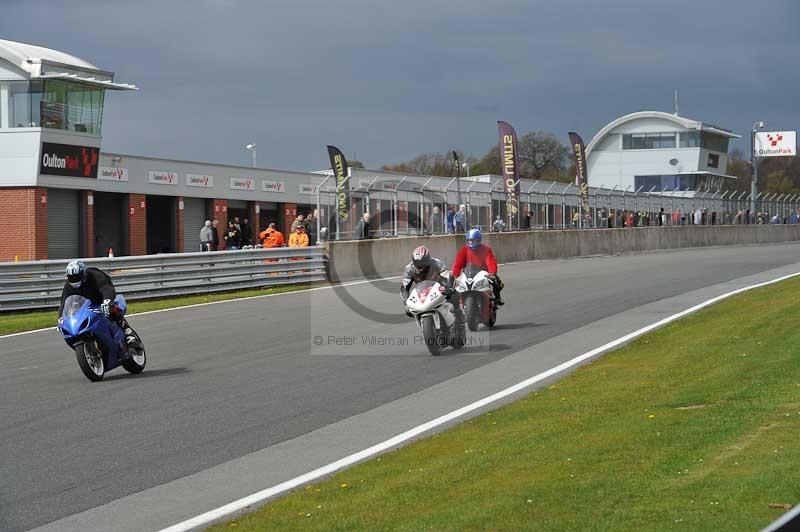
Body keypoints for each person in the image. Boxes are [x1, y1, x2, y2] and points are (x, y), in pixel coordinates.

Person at [59, 260, 139, 348]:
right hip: (86, 305)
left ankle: (127, 332)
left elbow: (107, 288)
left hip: (101, 299)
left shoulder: (95, 276)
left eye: (77, 277)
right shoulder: (68, 285)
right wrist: (61, 318)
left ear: (83, 274)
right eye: (72, 278)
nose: (75, 279)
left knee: (112, 310)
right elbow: (64, 302)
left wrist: (107, 301)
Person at [400, 245, 465, 326]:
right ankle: (422, 323)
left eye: (422, 262)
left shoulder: (436, 263)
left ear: (428, 259)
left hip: (439, 287)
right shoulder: (410, 268)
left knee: (454, 295)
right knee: (408, 310)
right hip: (421, 291)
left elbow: (448, 276)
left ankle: (459, 315)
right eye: (417, 263)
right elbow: (404, 287)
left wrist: (449, 288)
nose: (420, 265)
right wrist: (406, 300)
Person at [451, 229, 503, 306]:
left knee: (497, 282)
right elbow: (458, 263)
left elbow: (491, 261)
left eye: (473, 241)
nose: (471, 243)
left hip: (483, 273)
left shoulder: (485, 249)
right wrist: (455, 274)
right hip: (468, 273)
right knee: (451, 281)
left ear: (478, 240)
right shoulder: (464, 250)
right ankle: (453, 302)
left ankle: (498, 297)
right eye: (469, 241)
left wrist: (492, 273)